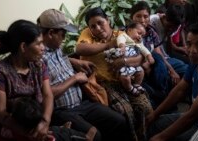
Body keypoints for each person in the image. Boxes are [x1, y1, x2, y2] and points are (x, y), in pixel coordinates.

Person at [37, 9, 130, 141]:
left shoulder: (56, 47)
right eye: (63, 34)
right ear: (51, 33)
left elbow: (59, 60)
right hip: (62, 111)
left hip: (81, 103)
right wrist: (74, 78)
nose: (64, 39)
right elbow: (45, 94)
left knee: (119, 121)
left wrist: (75, 61)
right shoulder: (38, 58)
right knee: (94, 135)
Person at [76, 7, 153, 141]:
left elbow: (141, 57)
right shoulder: (88, 35)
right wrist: (107, 46)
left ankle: (147, 136)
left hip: (128, 79)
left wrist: (124, 61)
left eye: (101, 23)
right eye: (93, 26)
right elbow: (80, 49)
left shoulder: (122, 35)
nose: (98, 28)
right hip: (105, 85)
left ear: (108, 20)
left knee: (144, 107)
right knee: (125, 111)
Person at [0, 20, 54, 141]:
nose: (43, 48)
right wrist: (30, 133)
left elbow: (48, 95)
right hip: (6, 130)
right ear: (23, 47)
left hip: (35, 124)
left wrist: (45, 122)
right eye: (39, 43)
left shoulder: (39, 66)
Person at [130, 1, 187, 109]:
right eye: (138, 16)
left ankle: (171, 100)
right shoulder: (126, 32)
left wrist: (171, 70)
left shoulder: (151, 31)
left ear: (149, 17)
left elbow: (159, 52)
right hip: (138, 66)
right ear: (131, 17)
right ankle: (166, 102)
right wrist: (145, 63)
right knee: (157, 62)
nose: (142, 20)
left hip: (154, 62)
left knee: (181, 68)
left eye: (145, 16)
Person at [104, 22, 154, 95]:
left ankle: (137, 84)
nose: (140, 37)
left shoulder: (139, 42)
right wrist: (122, 46)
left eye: (142, 36)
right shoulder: (124, 35)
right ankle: (129, 88)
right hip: (122, 64)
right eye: (139, 33)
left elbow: (144, 49)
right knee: (125, 77)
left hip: (133, 65)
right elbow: (121, 40)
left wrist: (149, 56)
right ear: (130, 30)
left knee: (141, 72)